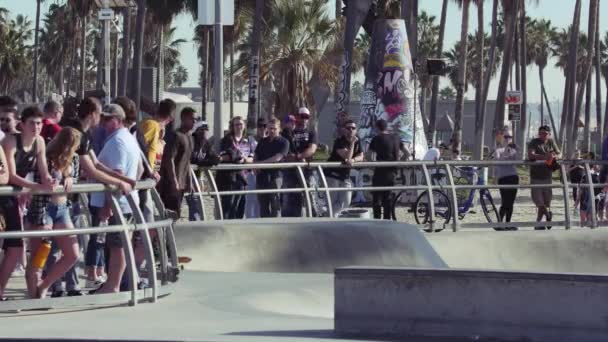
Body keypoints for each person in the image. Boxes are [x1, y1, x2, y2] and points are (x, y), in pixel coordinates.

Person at [63, 98, 134, 288]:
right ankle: (50, 287)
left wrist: (125, 180)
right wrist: (120, 182)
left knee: (70, 247)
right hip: (61, 194)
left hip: (71, 197)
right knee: (61, 247)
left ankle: (60, 286)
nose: (101, 120)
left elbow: (97, 164)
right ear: (93, 114)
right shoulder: (76, 132)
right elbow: (91, 170)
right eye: (100, 115)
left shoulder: (85, 135)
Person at [0, 106, 54, 300]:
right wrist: (35, 187)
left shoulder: (40, 142)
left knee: (15, 246)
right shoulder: (10, 141)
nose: (36, 127)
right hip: (6, 195)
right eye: (32, 123)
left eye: (39, 123)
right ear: (22, 124)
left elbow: (43, 168)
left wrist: (48, 180)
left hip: (17, 197)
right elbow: (11, 176)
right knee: (14, 245)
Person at [89, 104, 142, 294]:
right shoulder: (128, 138)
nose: (104, 122)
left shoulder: (117, 142)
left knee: (117, 246)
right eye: (103, 118)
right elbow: (139, 170)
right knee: (119, 245)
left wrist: (107, 206)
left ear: (118, 120)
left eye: (108, 119)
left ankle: (113, 285)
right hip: (125, 203)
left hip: (117, 204)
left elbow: (117, 175)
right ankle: (114, 283)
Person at [31, 128, 83, 298]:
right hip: (45, 207)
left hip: (62, 209)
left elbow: (74, 177)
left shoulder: (74, 158)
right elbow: (38, 178)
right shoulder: (46, 156)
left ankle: (45, 285)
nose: (72, 149)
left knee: (73, 253)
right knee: (42, 253)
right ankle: (34, 292)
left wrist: (70, 179)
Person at [157, 107, 196, 214]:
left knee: (177, 212)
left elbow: (187, 161)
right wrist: (174, 181)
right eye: (192, 119)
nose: (194, 121)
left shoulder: (190, 137)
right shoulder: (175, 136)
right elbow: (169, 160)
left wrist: (189, 181)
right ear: (183, 119)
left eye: (195, 119)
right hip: (170, 183)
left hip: (181, 183)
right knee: (169, 213)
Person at [282, 108, 317, 217]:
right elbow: (285, 151)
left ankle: (314, 219)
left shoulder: (311, 132)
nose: (304, 119)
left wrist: (299, 156)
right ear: (297, 116)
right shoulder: (289, 132)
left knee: (310, 196)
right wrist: (292, 158)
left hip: (307, 169)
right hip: (291, 170)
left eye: (307, 117)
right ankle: (293, 220)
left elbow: (312, 149)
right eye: (302, 116)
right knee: (291, 196)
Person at [325, 120, 363, 216]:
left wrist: (354, 160)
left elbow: (361, 156)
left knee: (346, 202)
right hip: (332, 175)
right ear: (344, 130)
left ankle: (328, 216)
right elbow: (347, 157)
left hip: (345, 175)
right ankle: (329, 220)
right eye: (348, 128)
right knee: (332, 201)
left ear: (356, 130)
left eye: (353, 128)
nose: (350, 130)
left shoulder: (358, 139)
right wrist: (352, 144)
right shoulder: (339, 141)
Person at [254, 118, 290, 217]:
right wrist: (254, 165)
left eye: (274, 128)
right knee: (263, 204)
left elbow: (277, 158)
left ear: (279, 129)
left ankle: (277, 227)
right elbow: (256, 154)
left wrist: (259, 164)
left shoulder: (284, 142)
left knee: (275, 203)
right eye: (270, 128)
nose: (272, 131)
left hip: (276, 176)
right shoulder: (262, 141)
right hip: (261, 176)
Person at [527, 125, 561, 230]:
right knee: (538, 201)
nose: (543, 135)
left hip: (547, 176)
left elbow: (559, 153)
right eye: (541, 133)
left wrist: (554, 156)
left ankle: (538, 224)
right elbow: (531, 155)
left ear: (549, 134)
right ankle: (548, 215)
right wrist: (545, 157)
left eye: (545, 133)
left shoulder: (551, 142)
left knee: (546, 201)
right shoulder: (534, 142)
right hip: (536, 176)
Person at [369, 119, 402, 220]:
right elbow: (407, 153)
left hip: (380, 172)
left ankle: (377, 221)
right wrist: (399, 163)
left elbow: (369, 156)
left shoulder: (376, 138)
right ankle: (387, 221)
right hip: (392, 172)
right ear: (387, 127)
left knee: (377, 199)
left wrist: (372, 165)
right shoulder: (396, 138)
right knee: (387, 199)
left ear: (377, 128)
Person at [189, 121, 219, 221]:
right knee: (193, 201)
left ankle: (195, 224)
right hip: (186, 176)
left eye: (206, 130)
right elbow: (192, 159)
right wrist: (203, 162)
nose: (204, 132)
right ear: (196, 131)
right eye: (201, 130)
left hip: (197, 177)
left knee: (196, 201)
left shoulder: (205, 143)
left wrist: (211, 160)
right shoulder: (190, 141)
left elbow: (213, 158)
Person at [138, 98, 176, 177]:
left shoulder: (158, 129)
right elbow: (139, 146)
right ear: (171, 117)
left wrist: (155, 170)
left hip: (149, 173)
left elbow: (156, 152)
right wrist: (151, 170)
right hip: (143, 172)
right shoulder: (152, 125)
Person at [493, 127, 519, 231]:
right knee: (505, 201)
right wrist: (506, 152)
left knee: (511, 202)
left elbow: (518, 160)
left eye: (510, 137)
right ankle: (500, 223)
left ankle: (507, 223)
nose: (508, 139)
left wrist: (516, 150)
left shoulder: (513, 149)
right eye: (506, 136)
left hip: (513, 176)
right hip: (503, 177)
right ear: (502, 137)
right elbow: (499, 162)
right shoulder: (498, 150)